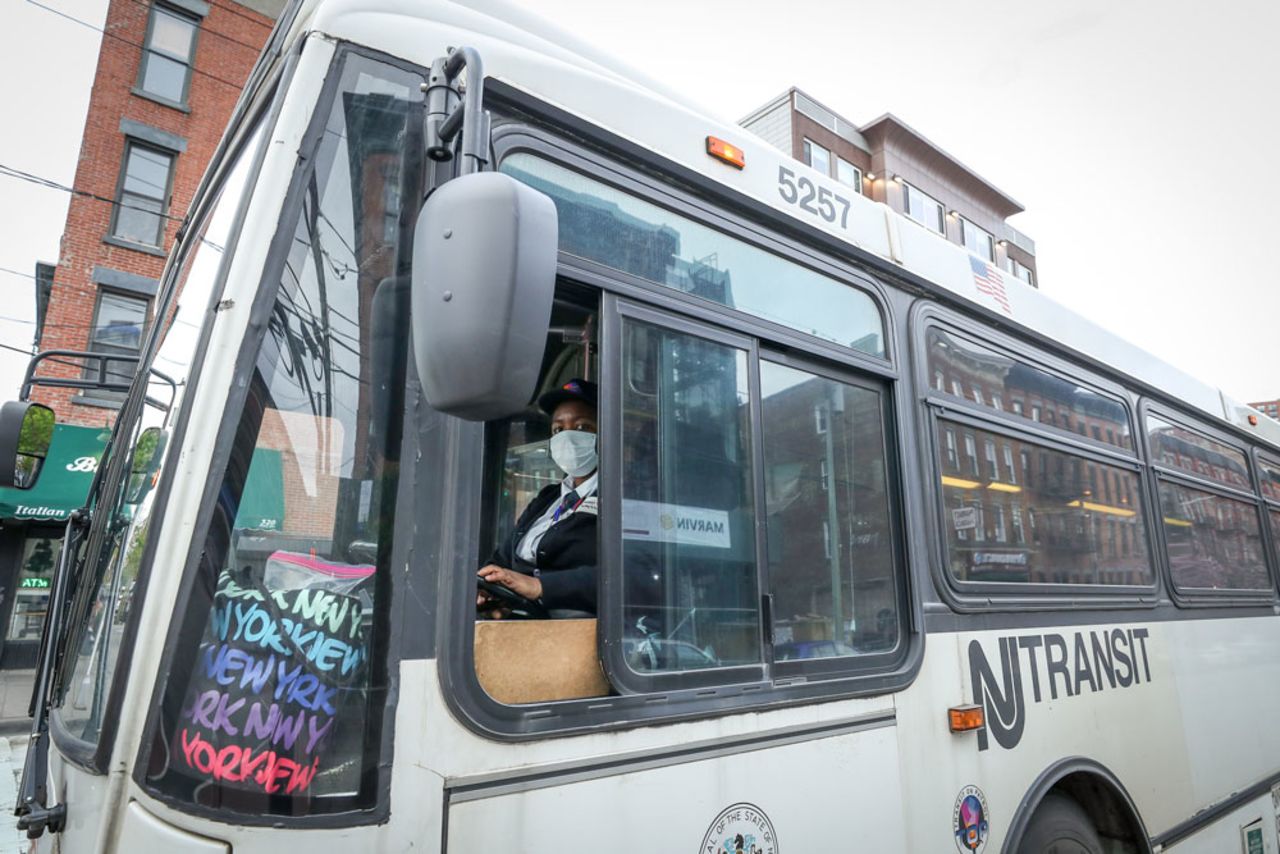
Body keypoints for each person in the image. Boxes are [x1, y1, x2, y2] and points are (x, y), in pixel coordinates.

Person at [477, 378, 599, 617]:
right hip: (525, 627)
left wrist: (539, 587)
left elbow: (633, 575)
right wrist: (489, 587)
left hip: (578, 635)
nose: (567, 437)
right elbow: (502, 558)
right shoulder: (549, 497)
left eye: (583, 427)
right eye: (558, 430)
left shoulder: (622, 499)